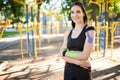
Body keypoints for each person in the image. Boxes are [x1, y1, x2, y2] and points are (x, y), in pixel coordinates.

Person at [60, 1, 95, 80]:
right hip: (68, 71)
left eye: (78, 12)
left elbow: (85, 56)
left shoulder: (90, 30)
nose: (75, 15)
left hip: (83, 71)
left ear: (83, 13)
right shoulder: (67, 32)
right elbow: (61, 54)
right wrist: (78, 62)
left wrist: (66, 53)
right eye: (72, 12)